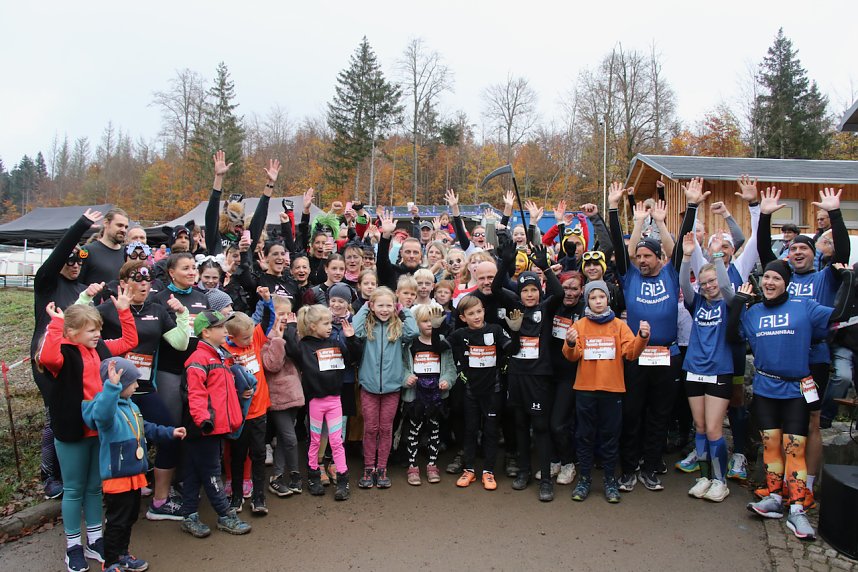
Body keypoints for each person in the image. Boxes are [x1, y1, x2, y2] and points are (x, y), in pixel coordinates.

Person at [756, 187, 850, 507]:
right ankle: (780, 483)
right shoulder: (782, 279)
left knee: (810, 422)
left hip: (814, 359)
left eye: (803, 247)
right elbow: (763, 255)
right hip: (782, 359)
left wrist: (835, 214)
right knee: (781, 425)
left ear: (814, 253)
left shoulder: (824, 278)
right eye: (792, 247)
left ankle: (807, 485)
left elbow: (843, 253)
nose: (797, 252)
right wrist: (765, 214)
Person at [729, 262, 835, 541]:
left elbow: (840, 317)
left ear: (786, 282)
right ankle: (774, 497)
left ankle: (798, 507)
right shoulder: (754, 314)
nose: (770, 282)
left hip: (796, 390)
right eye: (766, 277)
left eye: (776, 278)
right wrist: (740, 302)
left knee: (794, 448)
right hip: (765, 389)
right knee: (771, 445)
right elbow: (731, 335)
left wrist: (846, 279)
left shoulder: (805, 307)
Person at [78, 260, 190, 523]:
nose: (143, 283)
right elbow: (78, 325)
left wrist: (182, 315)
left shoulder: (157, 309)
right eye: (137, 279)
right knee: (118, 445)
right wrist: (86, 297)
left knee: (170, 435)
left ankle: (160, 500)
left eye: (148, 279)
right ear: (123, 282)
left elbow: (181, 343)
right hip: (112, 392)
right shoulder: (107, 309)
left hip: (143, 388)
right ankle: (115, 507)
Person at [608, 178, 698, 492]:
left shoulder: (672, 274)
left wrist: (690, 208)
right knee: (632, 413)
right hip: (635, 355)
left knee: (660, 415)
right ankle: (629, 468)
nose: (643, 260)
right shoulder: (629, 276)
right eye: (640, 257)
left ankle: (650, 467)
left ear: (659, 258)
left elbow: (680, 245)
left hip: (667, 356)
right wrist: (613, 208)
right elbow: (621, 245)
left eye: (649, 256)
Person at [38, 292, 137, 572]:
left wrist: (124, 312)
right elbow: (47, 356)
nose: (97, 334)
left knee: (95, 488)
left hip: (100, 430)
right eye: (91, 330)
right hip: (72, 431)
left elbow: (129, 342)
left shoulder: (100, 349)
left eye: (98, 330)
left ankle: (95, 540)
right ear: (73, 332)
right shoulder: (63, 355)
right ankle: (73, 546)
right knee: (73, 490)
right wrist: (56, 323)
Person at [81, 358, 186, 572]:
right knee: (117, 520)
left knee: (129, 518)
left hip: (134, 474)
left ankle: (123, 554)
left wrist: (169, 432)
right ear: (119, 384)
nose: (137, 386)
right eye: (133, 382)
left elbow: (145, 427)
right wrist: (111, 387)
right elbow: (101, 415)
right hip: (117, 475)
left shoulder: (131, 405)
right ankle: (110, 562)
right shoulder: (106, 409)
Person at [32, 208, 103, 499]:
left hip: (80, 362)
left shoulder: (84, 288)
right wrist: (83, 225)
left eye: (79, 260)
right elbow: (59, 255)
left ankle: (73, 473)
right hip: (49, 360)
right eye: (69, 260)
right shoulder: (47, 283)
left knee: (77, 415)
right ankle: (49, 474)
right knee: (55, 415)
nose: (75, 264)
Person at [563, 281, 649, 503]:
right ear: (587, 300)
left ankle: (610, 480)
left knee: (610, 437)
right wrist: (570, 343)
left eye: (602, 297)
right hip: (585, 390)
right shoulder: (580, 325)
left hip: (612, 390)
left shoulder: (619, 325)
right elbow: (571, 356)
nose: (598, 301)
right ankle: (584, 479)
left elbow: (631, 353)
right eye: (593, 297)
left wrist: (642, 336)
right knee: (584, 436)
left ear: (608, 299)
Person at [495, 238, 564, 502]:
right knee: (520, 424)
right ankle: (524, 471)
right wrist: (506, 262)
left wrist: (545, 268)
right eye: (526, 291)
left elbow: (558, 294)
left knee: (541, 427)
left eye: (534, 290)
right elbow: (497, 286)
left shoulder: (545, 309)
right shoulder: (515, 307)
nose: (530, 295)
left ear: (539, 291)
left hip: (539, 378)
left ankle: (545, 479)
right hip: (516, 377)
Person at [179, 310, 251, 538]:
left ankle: (189, 515)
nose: (225, 330)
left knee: (193, 472)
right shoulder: (199, 359)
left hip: (214, 426)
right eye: (220, 327)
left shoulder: (219, 356)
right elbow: (196, 394)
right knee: (212, 472)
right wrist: (204, 421)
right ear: (206, 332)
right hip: (205, 428)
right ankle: (225, 514)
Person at [439, 295, 518, 490]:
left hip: (493, 391)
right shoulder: (459, 334)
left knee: (491, 432)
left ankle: (488, 472)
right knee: (470, 430)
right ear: (463, 317)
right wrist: (436, 329)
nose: (476, 316)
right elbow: (438, 347)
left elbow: (512, 349)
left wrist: (515, 332)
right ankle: (469, 470)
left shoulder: (496, 330)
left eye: (479, 311)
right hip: (470, 391)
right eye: (471, 313)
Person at [284, 305, 362, 500]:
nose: (330, 327)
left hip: (335, 400)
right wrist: (291, 327)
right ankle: (314, 477)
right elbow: (291, 349)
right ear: (311, 326)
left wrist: (351, 339)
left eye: (330, 322)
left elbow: (354, 357)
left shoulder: (335, 342)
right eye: (325, 323)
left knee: (337, 441)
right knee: (315, 441)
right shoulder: (303, 346)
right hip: (315, 402)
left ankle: (343, 479)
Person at [679, 233, 735, 502]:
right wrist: (687, 257)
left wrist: (715, 257)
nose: (709, 286)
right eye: (703, 283)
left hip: (719, 370)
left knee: (714, 429)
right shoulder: (697, 302)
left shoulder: (729, 302)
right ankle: (703, 476)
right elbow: (683, 284)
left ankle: (720, 480)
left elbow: (725, 285)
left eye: (712, 281)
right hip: (694, 369)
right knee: (700, 427)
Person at [352, 287, 419, 488]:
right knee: (371, 428)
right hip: (369, 388)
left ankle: (382, 468)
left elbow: (414, 330)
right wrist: (365, 307)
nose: (384, 309)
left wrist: (402, 309)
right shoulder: (367, 326)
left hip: (392, 388)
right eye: (379, 305)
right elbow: (354, 330)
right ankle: (368, 467)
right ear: (372, 306)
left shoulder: (398, 329)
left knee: (385, 428)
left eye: (389, 305)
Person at [401, 305, 457, 485]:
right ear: (416, 323)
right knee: (414, 430)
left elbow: (450, 368)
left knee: (434, 430)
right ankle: (412, 466)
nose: (429, 324)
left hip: (436, 395)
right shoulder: (410, 344)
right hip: (416, 394)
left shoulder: (442, 342)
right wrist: (406, 378)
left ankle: (432, 465)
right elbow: (401, 367)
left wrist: (447, 380)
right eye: (425, 321)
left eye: (432, 321)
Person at [222, 312, 272, 515]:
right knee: (237, 456)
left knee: (259, 454)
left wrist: (267, 301)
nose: (250, 340)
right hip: (238, 415)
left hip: (259, 411)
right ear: (231, 337)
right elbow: (222, 381)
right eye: (245, 338)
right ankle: (236, 496)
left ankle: (259, 497)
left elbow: (268, 320)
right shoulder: (224, 352)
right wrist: (237, 390)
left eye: (251, 336)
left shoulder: (255, 339)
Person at [261, 296, 305, 497]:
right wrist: (278, 340)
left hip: (294, 393)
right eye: (281, 314)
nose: (285, 318)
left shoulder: (292, 333)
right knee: (290, 439)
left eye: (288, 314)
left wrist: (292, 332)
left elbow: (300, 356)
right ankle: (295, 474)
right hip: (277, 397)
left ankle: (278, 476)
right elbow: (272, 365)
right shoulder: (265, 337)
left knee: (283, 438)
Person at [79, 208, 129, 285]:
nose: (124, 230)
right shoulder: (86, 251)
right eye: (119, 225)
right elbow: (76, 286)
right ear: (106, 223)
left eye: (126, 227)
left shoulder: (127, 254)